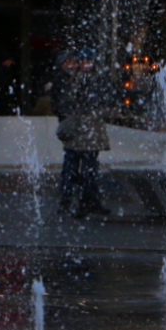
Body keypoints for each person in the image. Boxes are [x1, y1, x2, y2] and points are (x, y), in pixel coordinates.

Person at [55, 50, 110, 218]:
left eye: (89, 61)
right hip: (81, 130)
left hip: (87, 131)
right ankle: (77, 202)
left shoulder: (84, 79)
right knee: (78, 168)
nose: (87, 64)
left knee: (86, 168)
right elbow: (69, 102)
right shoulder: (76, 80)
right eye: (84, 61)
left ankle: (83, 202)